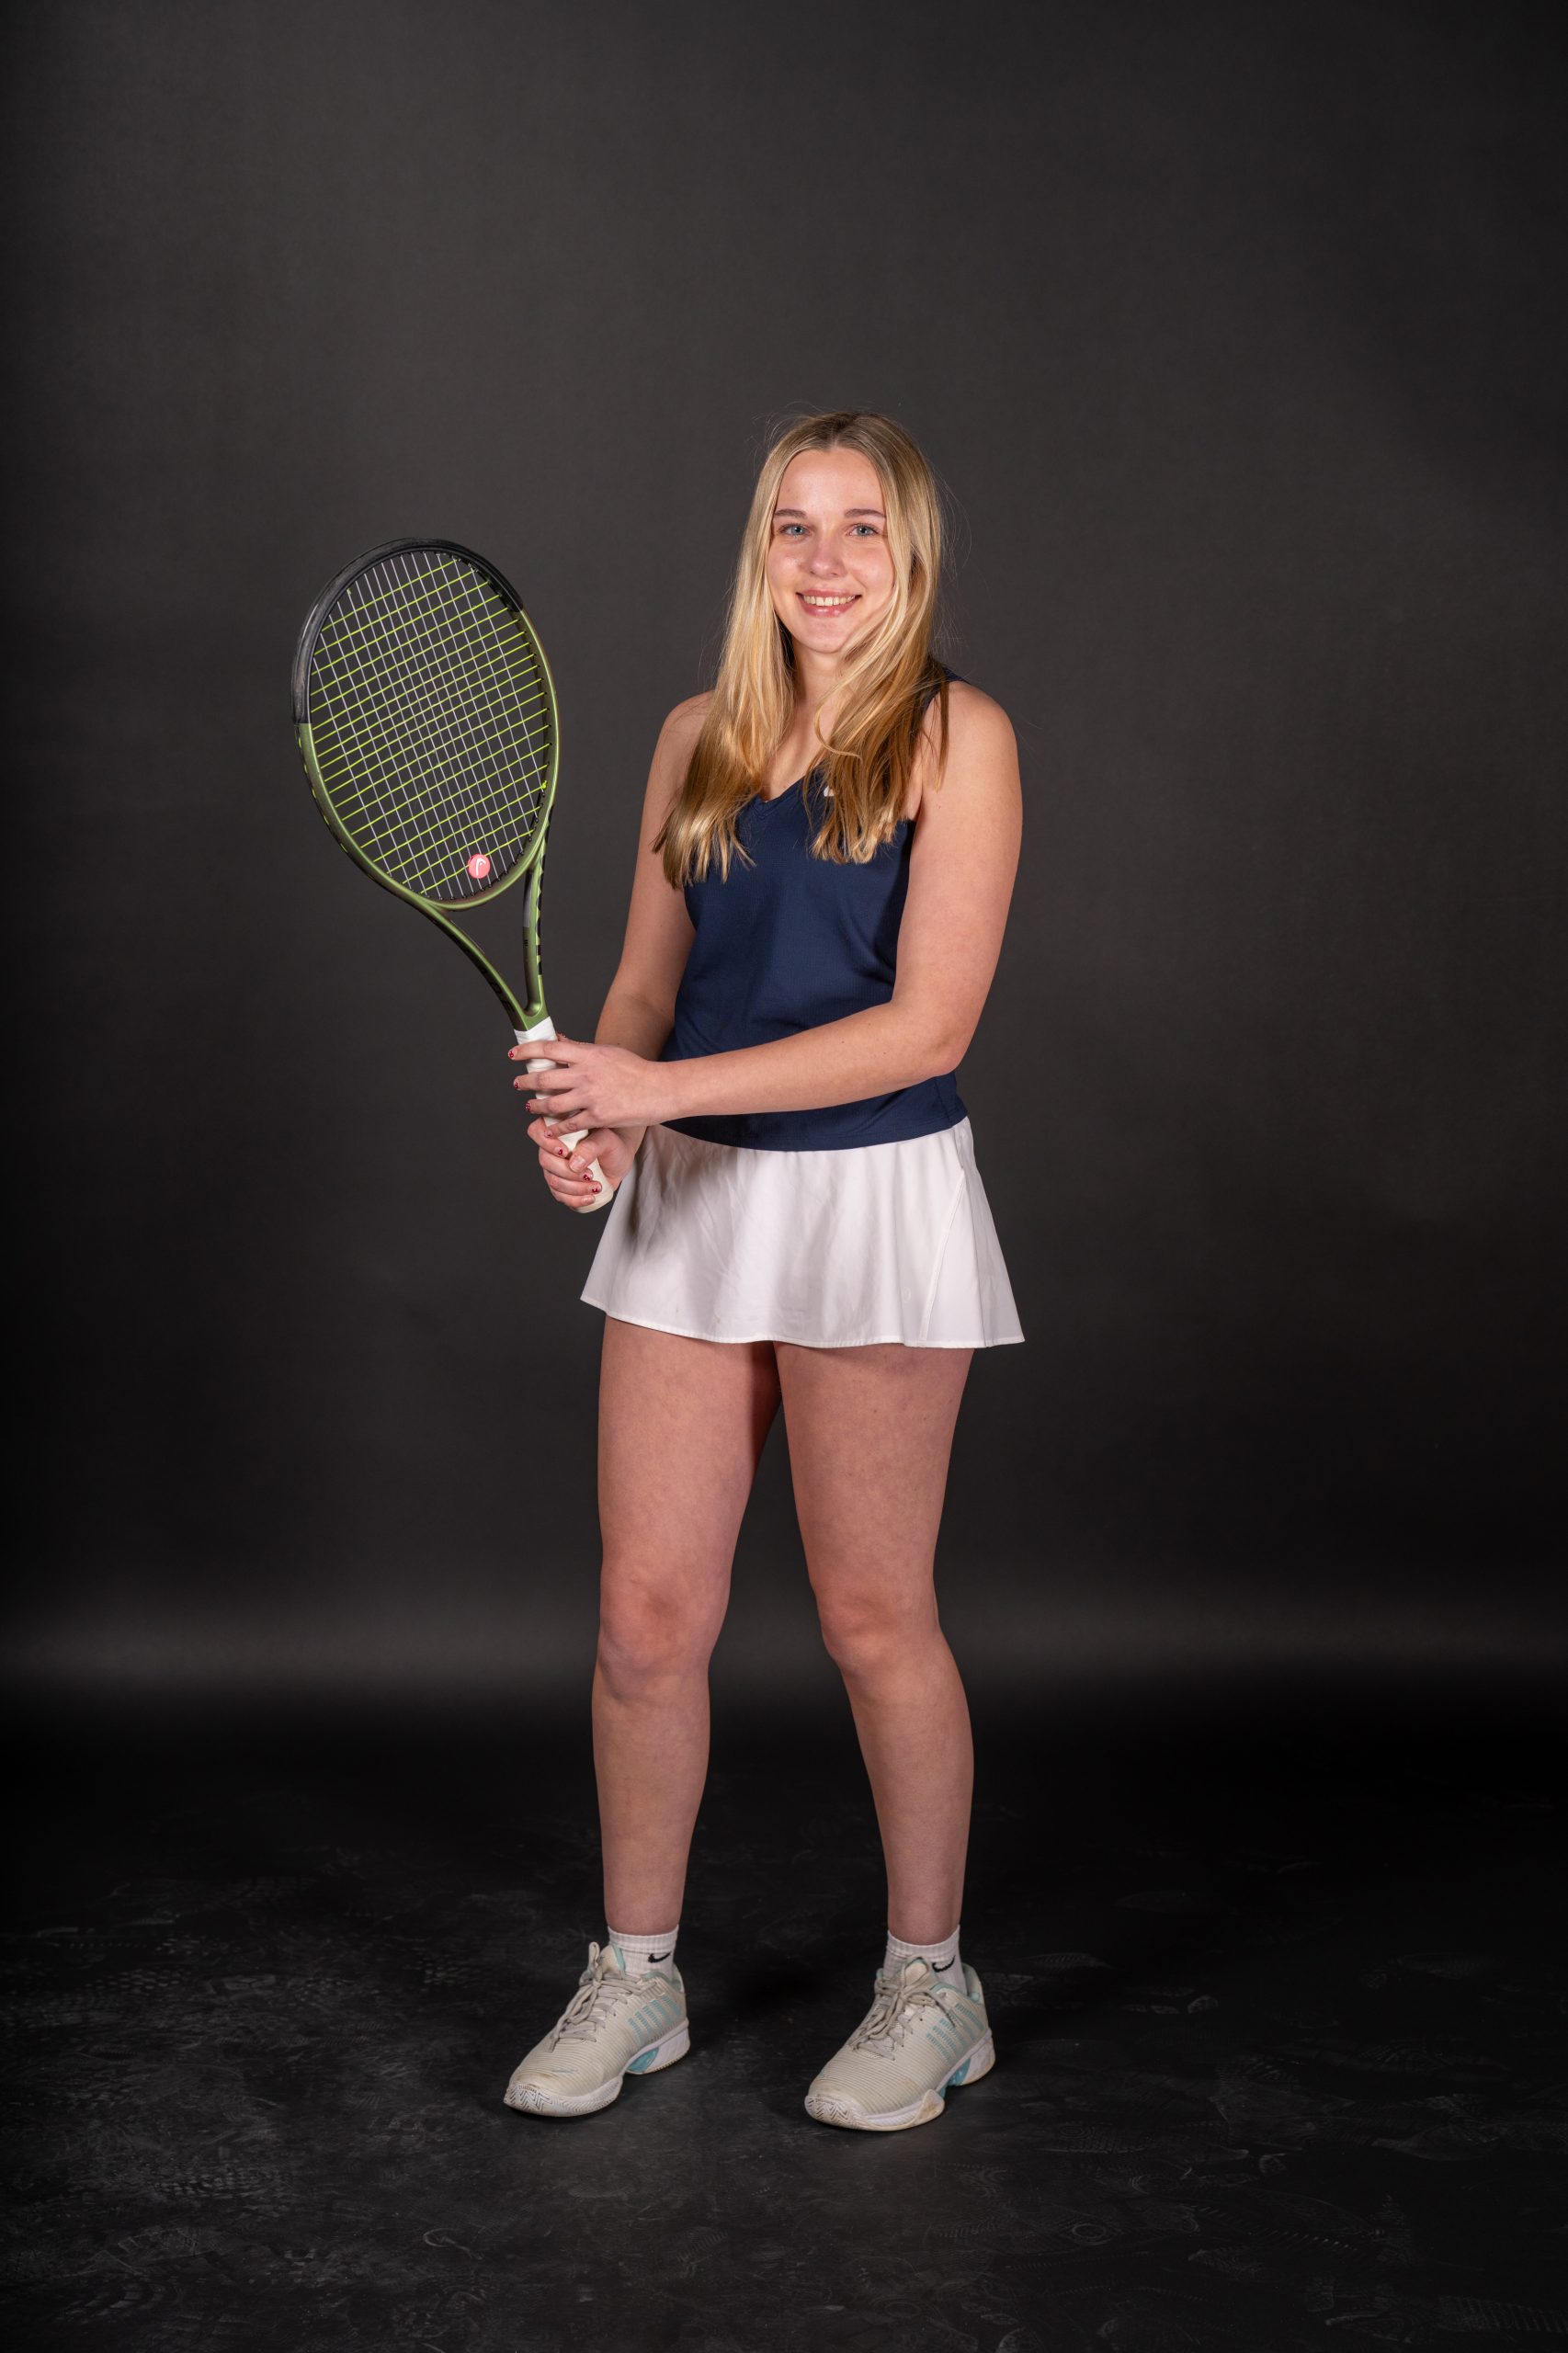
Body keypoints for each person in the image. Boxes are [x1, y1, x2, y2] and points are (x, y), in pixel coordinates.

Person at [501, 409, 1024, 2131]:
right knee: (645, 1621)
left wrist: (651, 1093)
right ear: (759, 551)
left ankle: (932, 1989)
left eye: (860, 528)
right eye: (794, 526)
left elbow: (926, 1027)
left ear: (909, 552)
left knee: (875, 1620)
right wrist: (604, 1128)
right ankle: (636, 1975)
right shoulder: (695, 735)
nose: (824, 561)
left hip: (872, 1201)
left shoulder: (958, 735)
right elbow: (646, 992)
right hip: (692, 1203)